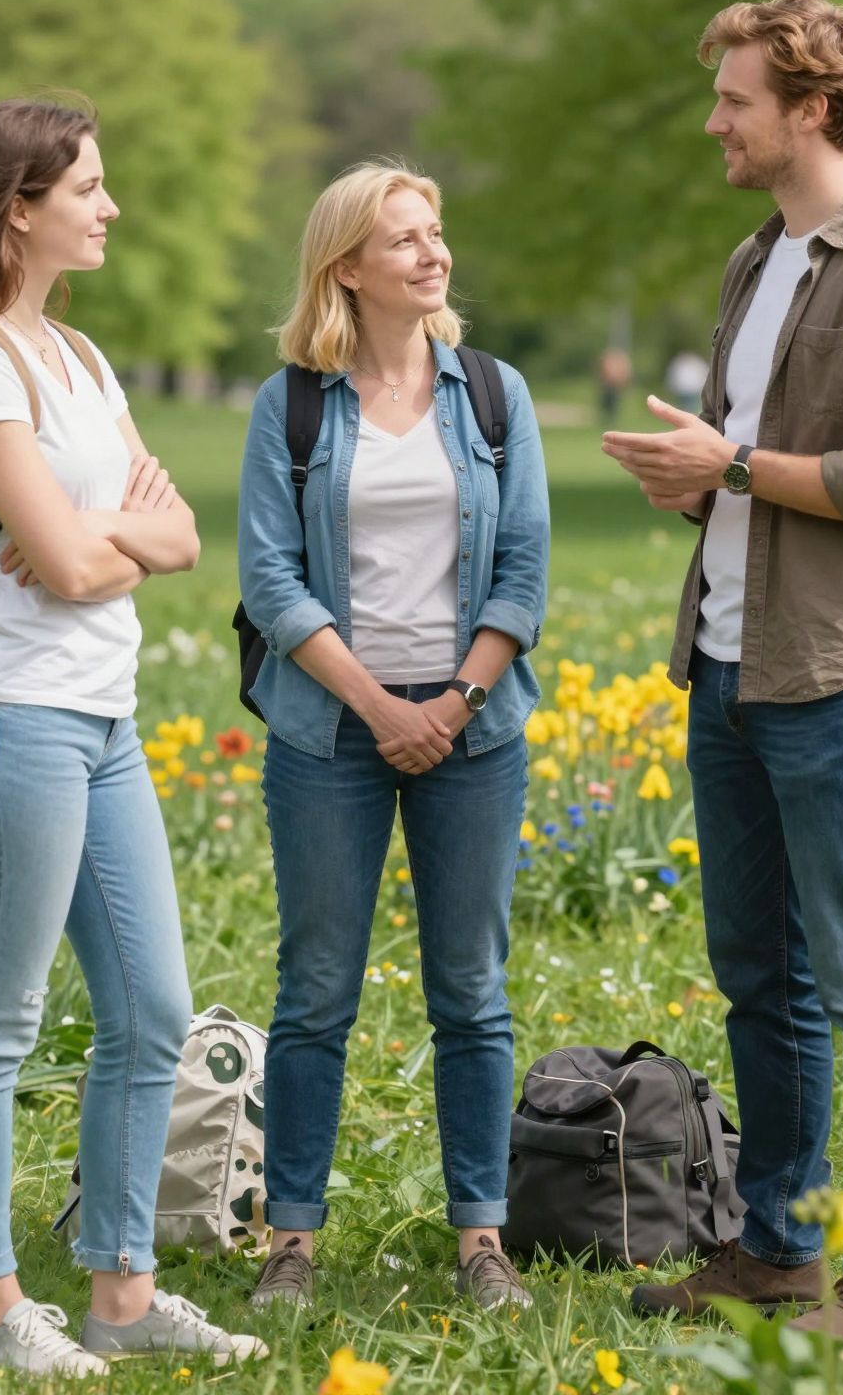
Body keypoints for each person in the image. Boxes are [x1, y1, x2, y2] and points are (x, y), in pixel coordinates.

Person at [0, 99, 265, 1378]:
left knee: (151, 1010)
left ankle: (121, 1290)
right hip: (6, 721)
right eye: (88, 187)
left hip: (104, 719)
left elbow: (177, 538)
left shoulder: (83, 361)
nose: (110, 207)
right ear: (17, 206)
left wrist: (121, 546)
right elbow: (61, 555)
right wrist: (112, 545)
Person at [601, 0, 843, 1335]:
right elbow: (748, 464)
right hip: (729, 669)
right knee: (761, 971)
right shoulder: (758, 259)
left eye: (737, 101)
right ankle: (779, 1250)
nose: (717, 120)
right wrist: (696, 479)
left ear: (813, 108)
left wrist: (736, 467)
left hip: (842, 679)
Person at [238, 162, 550, 1311]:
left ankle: (482, 1239)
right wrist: (379, 706)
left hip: (474, 726)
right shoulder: (295, 404)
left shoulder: (496, 394)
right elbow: (270, 577)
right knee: (316, 987)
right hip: (331, 729)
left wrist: (454, 704)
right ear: (348, 268)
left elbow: (523, 572)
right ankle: (293, 1240)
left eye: (437, 233)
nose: (433, 253)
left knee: (471, 987)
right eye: (404, 239)